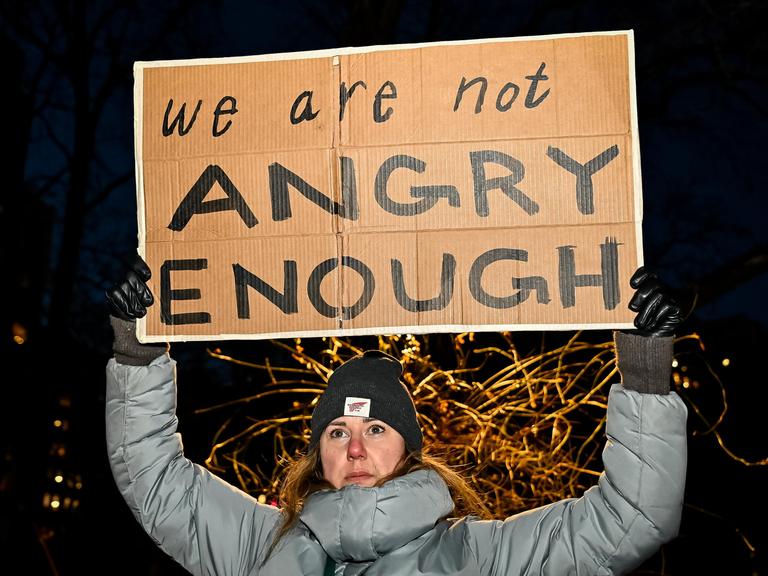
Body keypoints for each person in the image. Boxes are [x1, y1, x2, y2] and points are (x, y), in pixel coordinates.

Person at [105, 256, 688, 576]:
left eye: (375, 429)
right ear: (318, 453)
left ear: (409, 449)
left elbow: (631, 517)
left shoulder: (481, 558)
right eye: (338, 432)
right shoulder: (257, 545)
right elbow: (154, 478)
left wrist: (643, 371)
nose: (355, 449)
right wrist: (138, 347)